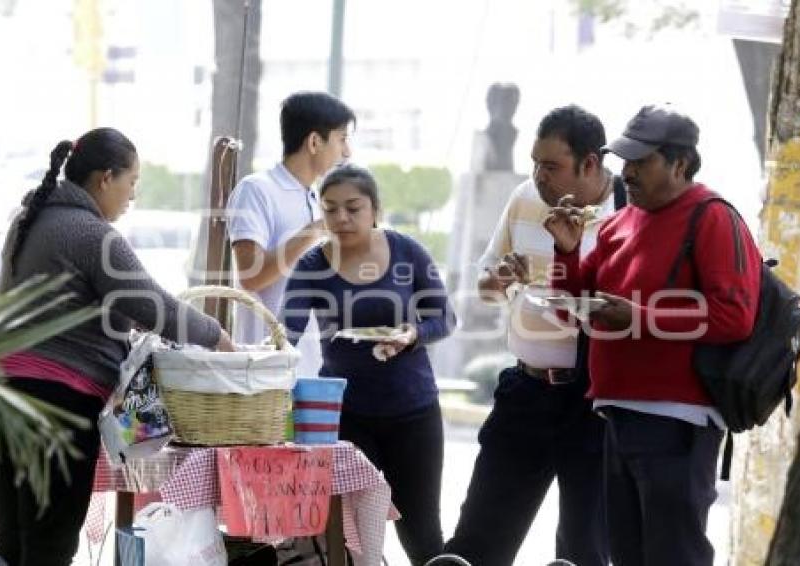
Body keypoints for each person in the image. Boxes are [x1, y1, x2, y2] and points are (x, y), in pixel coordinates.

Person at [0, 127, 235, 566]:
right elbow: (155, 306)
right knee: (48, 549)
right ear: (105, 178)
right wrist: (220, 338)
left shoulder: (29, 220)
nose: (133, 195)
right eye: (132, 182)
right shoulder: (91, 234)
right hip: (51, 410)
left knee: (10, 548)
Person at [545, 105, 762, 566]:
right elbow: (573, 306)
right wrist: (565, 251)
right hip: (617, 414)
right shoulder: (620, 222)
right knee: (626, 555)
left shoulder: (712, 216)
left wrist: (640, 317)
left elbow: (734, 316)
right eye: (625, 160)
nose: (627, 172)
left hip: (677, 422)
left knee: (672, 555)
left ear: (679, 164)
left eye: (640, 162)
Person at [443, 105, 621, 566]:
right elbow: (486, 286)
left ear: (591, 164)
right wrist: (500, 280)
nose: (540, 176)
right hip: (525, 389)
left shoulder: (627, 210)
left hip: (592, 400)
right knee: (477, 542)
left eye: (552, 166)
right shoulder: (525, 197)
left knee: (584, 549)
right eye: (535, 163)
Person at [280, 164, 455, 565]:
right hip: (346, 416)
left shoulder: (407, 252)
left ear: (375, 209)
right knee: (352, 532)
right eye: (330, 209)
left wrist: (413, 334)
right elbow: (285, 332)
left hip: (414, 410)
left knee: (421, 530)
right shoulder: (311, 266)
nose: (341, 218)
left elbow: (444, 318)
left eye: (353, 208)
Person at [226, 91, 354, 374]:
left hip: (315, 367)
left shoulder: (318, 197)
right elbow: (250, 275)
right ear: (313, 142)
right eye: (342, 139)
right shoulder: (257, 190)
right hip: (266, 370)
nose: (347, 152)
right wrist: (315, 230)